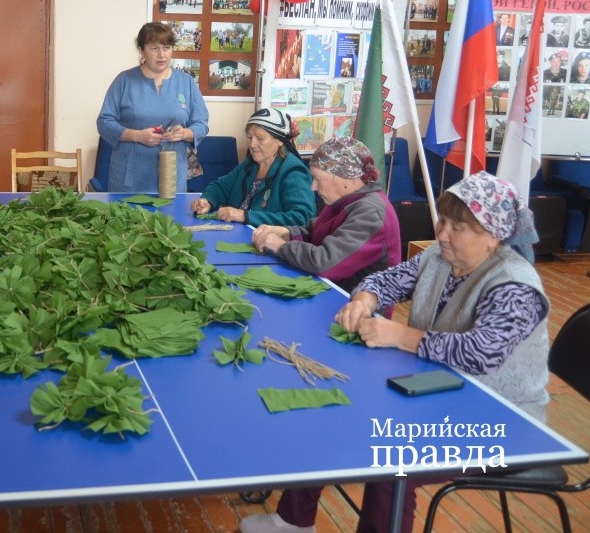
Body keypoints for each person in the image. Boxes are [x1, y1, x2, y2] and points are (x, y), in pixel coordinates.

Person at [240, 172, 548, 533]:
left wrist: (402, 336)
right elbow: (387, 279)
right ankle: (292, 521)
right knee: (331, 408)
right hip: (437, 391)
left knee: (391, 459)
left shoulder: (515, 285)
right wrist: (365, 297)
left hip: (502, 419)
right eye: (443, 220)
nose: (442, 233)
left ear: (493, 237)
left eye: (457, 227)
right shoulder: (439, 257)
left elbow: (482, 353)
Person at [250, 137, 400, 292]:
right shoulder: (343, 200)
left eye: (317, 179)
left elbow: (325, 262)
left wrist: (280, 245)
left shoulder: (370, 213)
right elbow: (317, 231)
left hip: (355, 309)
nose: (313, 187)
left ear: (344, 178)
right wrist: (286, 232)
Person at [96, 22, 210, 192]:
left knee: (170, 217)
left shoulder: (186, 82)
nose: (162, 55)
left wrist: (184, 133)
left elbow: (202, 123)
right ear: (142, 50)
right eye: (154, 48)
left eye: (167, 47)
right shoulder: (124, 80)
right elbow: (104, 122)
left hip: (171, 175)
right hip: (130, 177)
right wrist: (136, 135)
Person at [190, 108, 315, 227]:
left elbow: (301, 219)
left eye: (260, 138)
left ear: (280, 141)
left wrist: (245, 216)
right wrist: (207, 201)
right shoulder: (251, 164)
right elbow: (221, 187)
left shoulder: (294, 172)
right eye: (249, 137)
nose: (252, 144)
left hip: (271, 245)